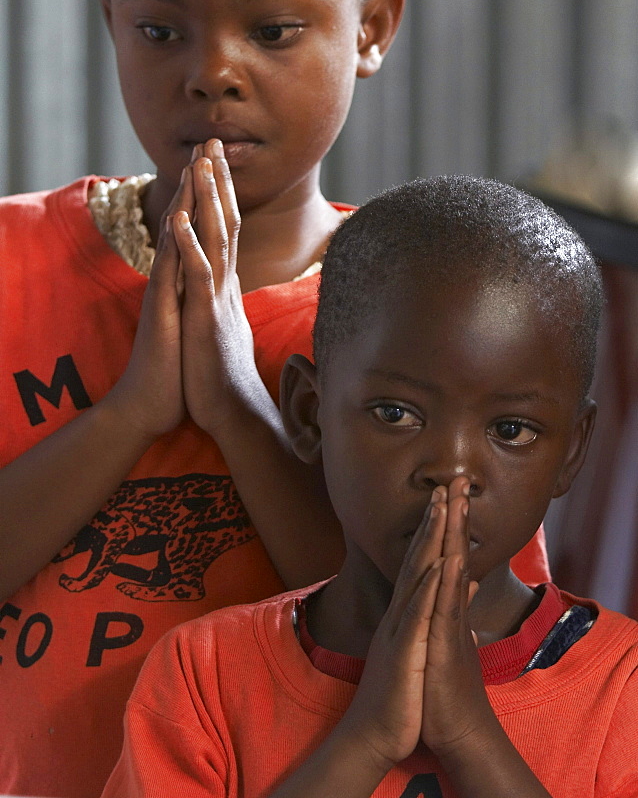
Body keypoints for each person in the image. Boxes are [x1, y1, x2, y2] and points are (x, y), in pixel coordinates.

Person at [0, 0, 545, 796]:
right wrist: (128, 415)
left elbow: (443, 647)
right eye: (159, 27)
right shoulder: (11, 261)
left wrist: (238, 412)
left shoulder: (428, 306)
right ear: (108, 14)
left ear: (372, 27)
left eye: (273, 28)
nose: (210, 72)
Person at [103, 176, 638, 798]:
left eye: (511, 429)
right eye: (396, 414)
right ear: (309, 414)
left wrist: (468, 736)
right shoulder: (207, 676)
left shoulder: (624, 687)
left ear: (571, 452)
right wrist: (369, 736)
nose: (451, 467)